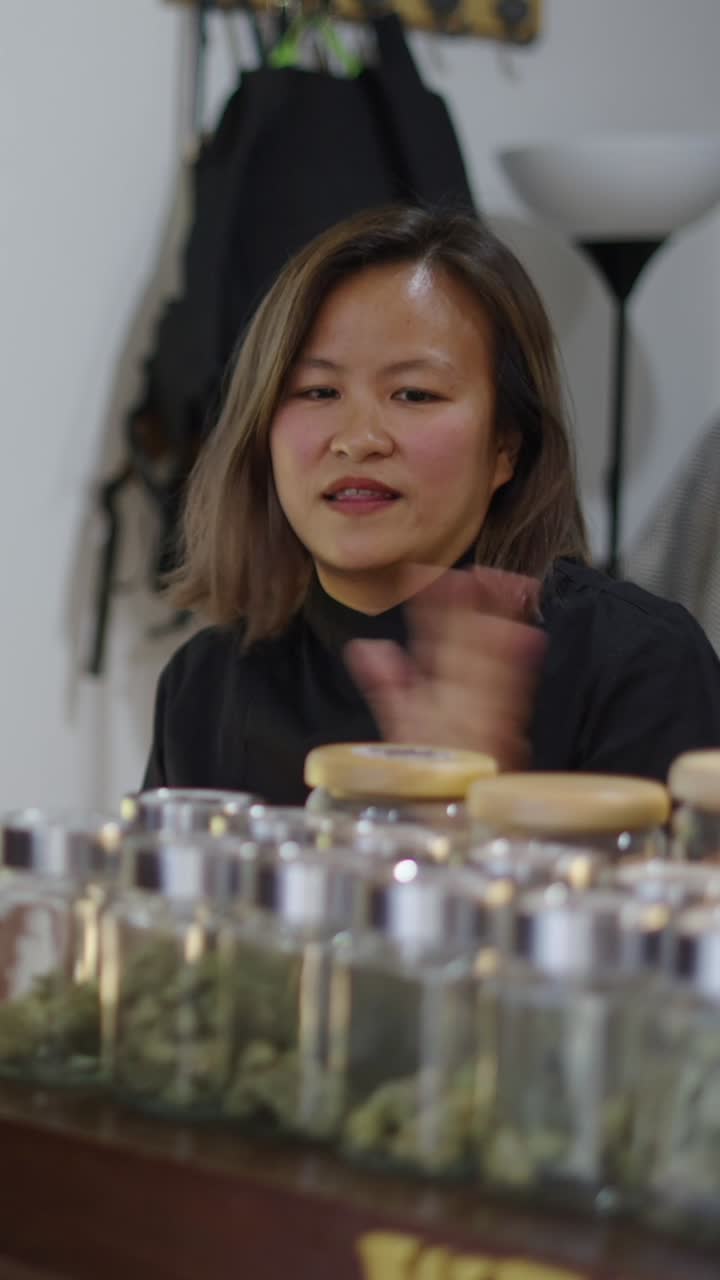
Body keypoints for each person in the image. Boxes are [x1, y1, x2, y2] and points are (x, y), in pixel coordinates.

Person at [143, 205, 720, 804]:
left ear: (506, 447)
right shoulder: (205, 683)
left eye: (414, 394)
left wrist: (477, 816)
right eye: (318, 391)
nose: (358, 438)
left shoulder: (640, 662)